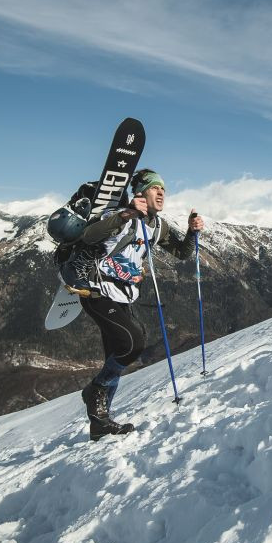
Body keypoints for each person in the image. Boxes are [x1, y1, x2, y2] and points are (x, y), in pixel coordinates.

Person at [74, 169, 204, 440]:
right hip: (97, 291)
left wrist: (192, 233)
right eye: (155, 188)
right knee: (132, 344)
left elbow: (181, 253)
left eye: (164, 190)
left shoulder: (158, 225)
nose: (161, 193)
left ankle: (100, 421)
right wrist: (126, 214)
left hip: (123, 295)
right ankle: (95, 391)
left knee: (116, 356)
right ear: (140, 192)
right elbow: (89, 236)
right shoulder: (122, 215)